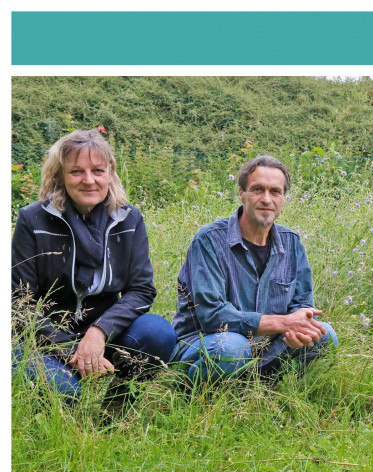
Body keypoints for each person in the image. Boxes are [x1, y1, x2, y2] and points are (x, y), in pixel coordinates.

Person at [11, 129, 177, 406]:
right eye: (76, 171)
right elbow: (18, 303)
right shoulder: (33, 219)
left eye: (98, 170)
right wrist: (73, 349)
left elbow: (142, 289)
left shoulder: (129, 218)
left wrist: (99, 332)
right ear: (60, 176)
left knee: (158, 332)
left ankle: (115, 413)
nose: (89, 180)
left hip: (104, 331)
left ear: (110, 172)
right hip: (44, 338)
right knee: (66, 392)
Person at [172, 155, 337, 384]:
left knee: (325, 335)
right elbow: (212, 316)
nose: (266, 199)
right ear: (242, 194)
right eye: (257, 189)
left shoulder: (292, 243)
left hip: (268, 344)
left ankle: (266, 389)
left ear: (283, 198)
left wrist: (296, 329)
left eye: (275, 191)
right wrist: (283, 323)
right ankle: (199, 392)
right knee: (233, 347)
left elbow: (303, 305)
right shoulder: (209, 240)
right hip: (207, 342)